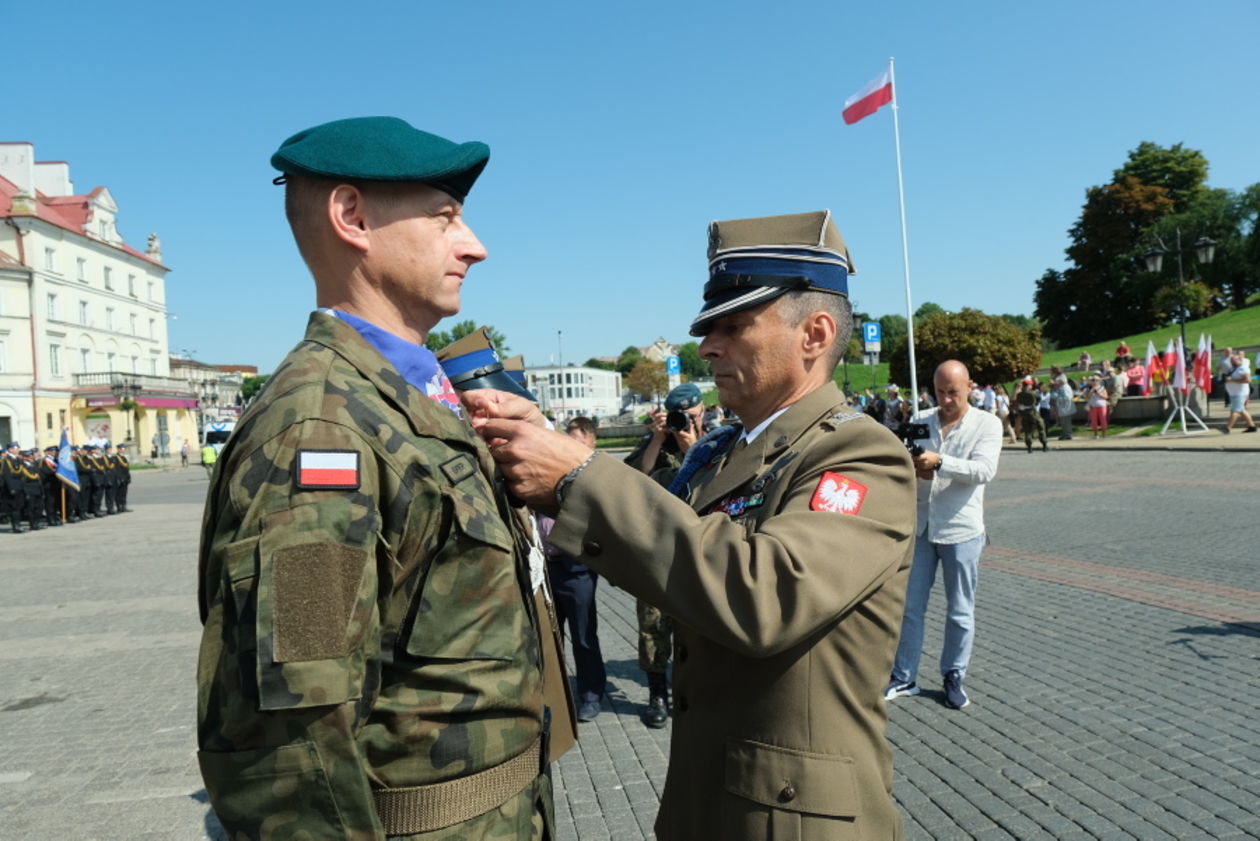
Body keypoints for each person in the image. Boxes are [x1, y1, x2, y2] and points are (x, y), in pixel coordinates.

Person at [468, 210, 916, 840]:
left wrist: (579, 477)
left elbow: (765, 597)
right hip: (711, 798)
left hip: (792, 819)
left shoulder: (860, 455)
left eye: (734, 326)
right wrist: (541, 453)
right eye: (710, 328)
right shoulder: (725, 451)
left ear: (815, 334)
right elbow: (669, 562)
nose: (707, 346)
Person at [196, 116, 573, 841]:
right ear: (353, 217)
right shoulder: (321, 429)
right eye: (445, 217)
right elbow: (294, 730)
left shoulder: (408, 402)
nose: (476, 245)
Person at [885, 360, 1003, 711]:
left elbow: (984, 470)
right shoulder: (921, 421)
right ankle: (904, 675)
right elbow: (901, 465)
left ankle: (954, 674)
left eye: (953, 391)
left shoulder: (988, 424)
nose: (947, 399)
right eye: (940, 391)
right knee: (910, 607)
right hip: (921, 528)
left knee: (960, 610)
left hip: (961, 530)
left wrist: (939, 463)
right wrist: (911, 468)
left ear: (970, 386)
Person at [624, 382, 706, 728]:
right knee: (652, 629)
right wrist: (657, 438)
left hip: (699, 553)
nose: (682, 422)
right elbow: (635, 479)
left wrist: (695, 450)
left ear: (702, 412)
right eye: (678, 417)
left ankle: (697, 694)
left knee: (699, 629)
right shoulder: (654, 446)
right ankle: (657, 695)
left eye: (689, 416)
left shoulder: (718, 443)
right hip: (656, 552)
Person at [538, 417, 608, 724]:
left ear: (591, 441)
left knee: (583, 637)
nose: (571, 445)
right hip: (545, 568)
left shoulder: (596, 474)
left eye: (577, 440)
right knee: (551, 639)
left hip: (576, 568)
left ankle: (591, 695)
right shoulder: (549, 468)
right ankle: (554, 696)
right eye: (569, 438)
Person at [1220, 349, 1257, 433]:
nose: (1232, 362)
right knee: (1241, 410)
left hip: (1240, 393)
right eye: (1231, 360)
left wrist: (1232, 380)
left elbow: (1248, 380)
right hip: (1233, 393)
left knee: (1235, 410)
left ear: (1239, 360)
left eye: (1234, 360)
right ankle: (1252, 426)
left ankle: (1227, 428)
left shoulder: (1243, 368)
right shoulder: (1233, 369)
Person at [1014, 378, 1047, 452]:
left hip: (1025, 413)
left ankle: (1029, 447)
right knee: (1041, 428)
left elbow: (1018, 402)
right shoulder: (1033, 393)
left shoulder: (1019, 394)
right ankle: (1044, 445)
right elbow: (1038, 399)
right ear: (1029, 385)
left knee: (1027, 431)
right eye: (1030, 385)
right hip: (1033, 412)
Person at [1050, 365, 1075, 440]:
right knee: (1063, 418)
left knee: (1066, 418)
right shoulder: (1056, 377)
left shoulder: (1062, 376)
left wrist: (1053, 383)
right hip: (1060, 399)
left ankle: (1068, 434)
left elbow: (1062, 382)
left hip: (1065, 398)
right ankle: (1065, 433)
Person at [114, 443, 132, 512]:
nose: (123, 450)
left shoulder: (124, 457)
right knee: (119, 493)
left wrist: (128, 477)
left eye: (124, 449)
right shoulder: (116, 457)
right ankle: (119, 507)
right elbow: (117, 469)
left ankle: (124, 506)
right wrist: (119, 478)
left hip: (125, 478)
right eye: (122, 449)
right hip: (120, 478)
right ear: (118, 449)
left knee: (124, 493)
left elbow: (126, 469)